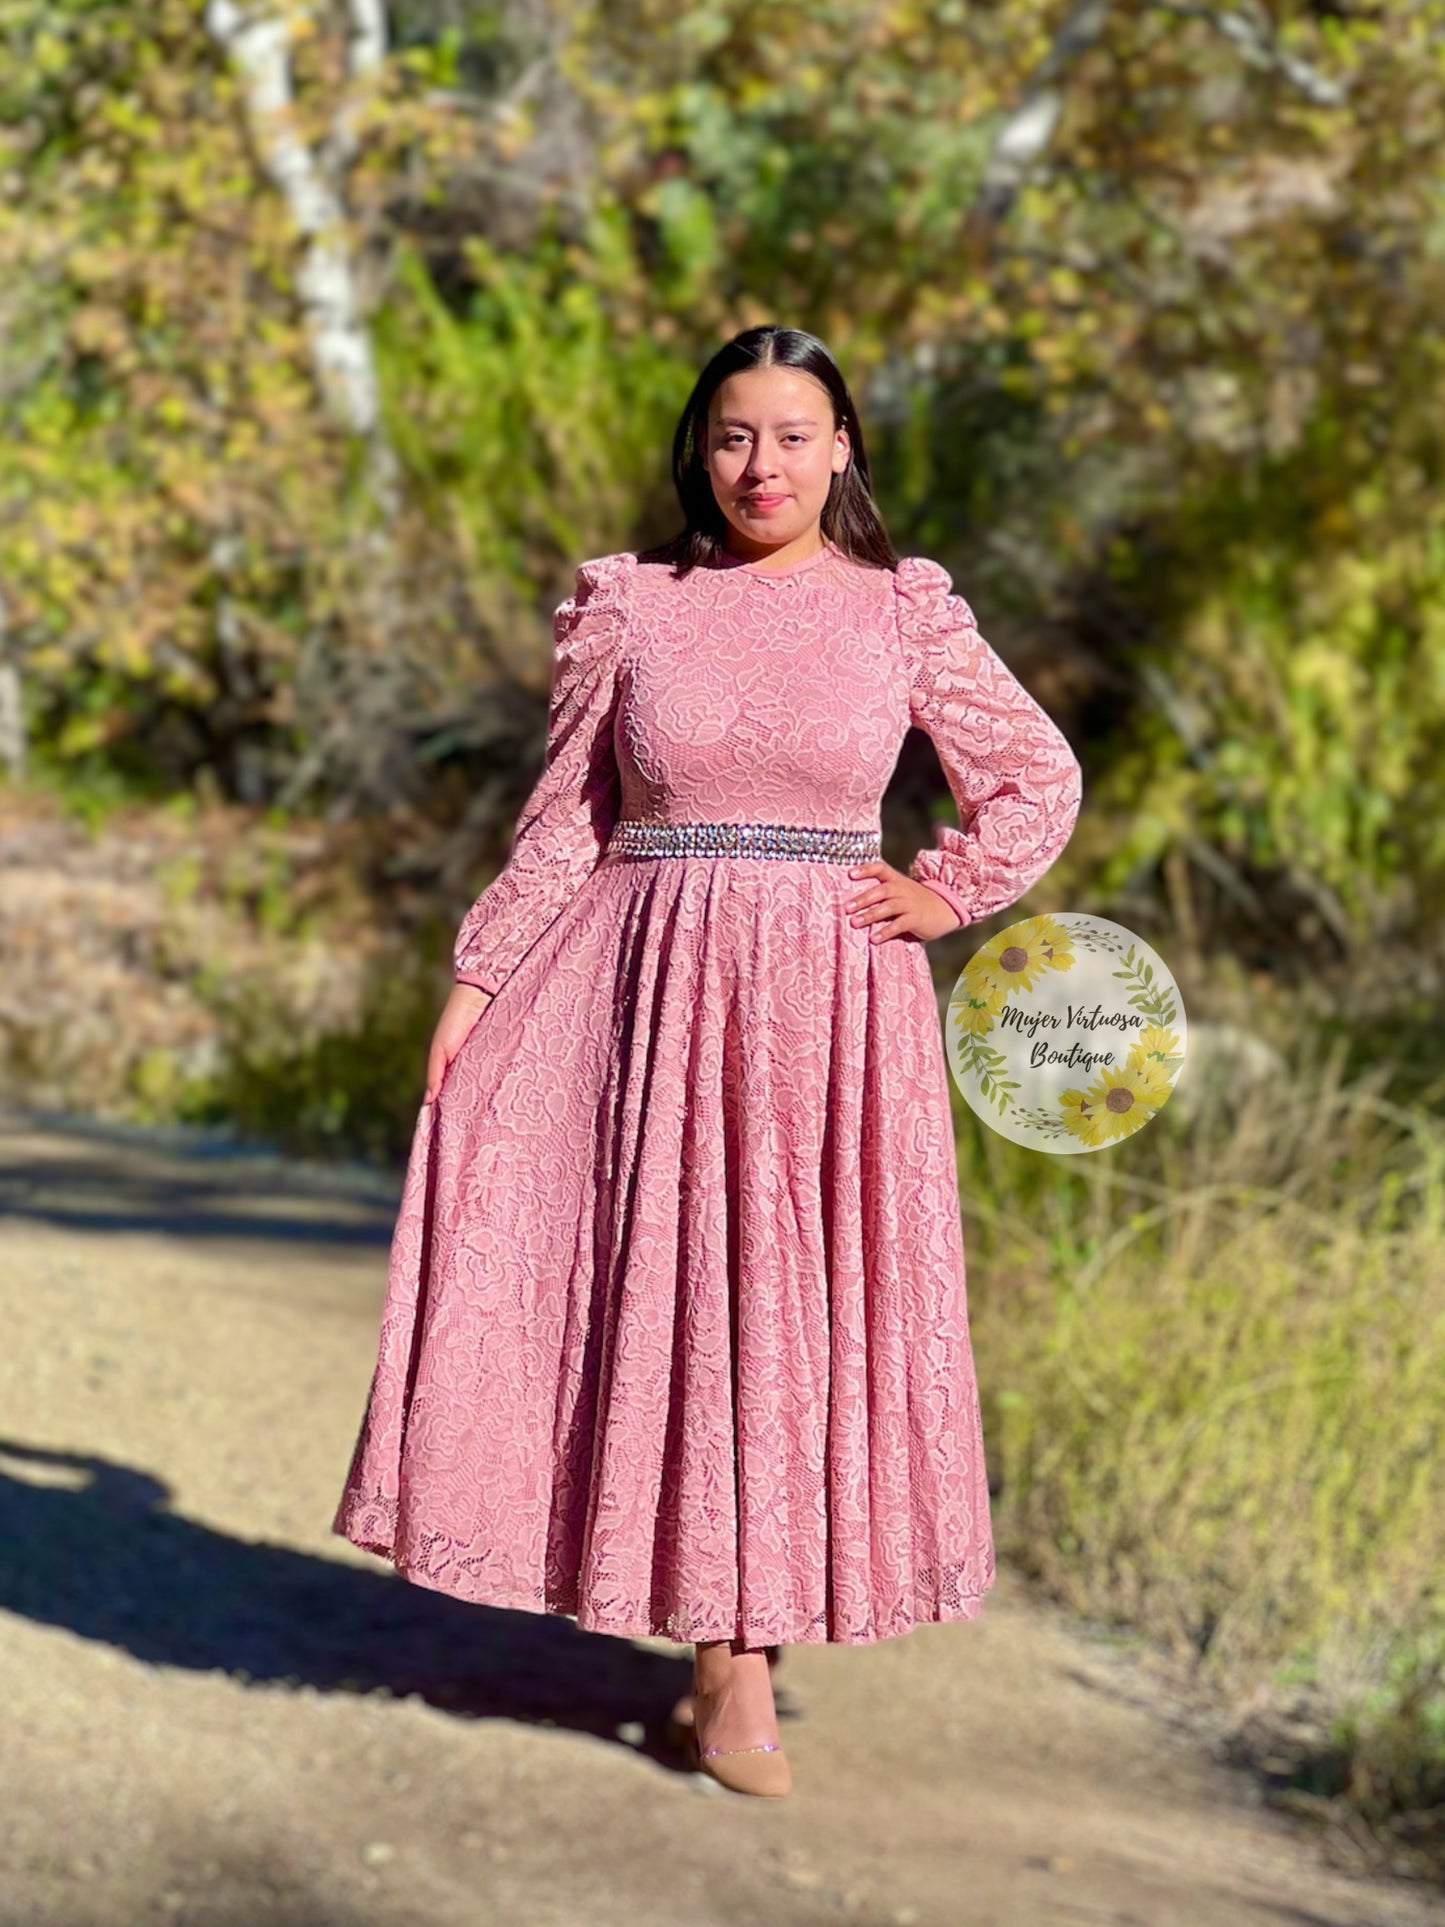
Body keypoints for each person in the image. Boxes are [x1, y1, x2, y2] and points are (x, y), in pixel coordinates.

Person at [331, 324, 1083, 1798]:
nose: (762, 465)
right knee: (685, 1304)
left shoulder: (901, 614)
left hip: (832, 1006)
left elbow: (1034, 771)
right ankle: (729, 1668)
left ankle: (751, 1621)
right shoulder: (634, 607)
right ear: (701, 448)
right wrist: (481, 973)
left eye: (794, 436)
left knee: (794, 1312)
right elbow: (566, 817)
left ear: (842, 447)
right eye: (734, 436)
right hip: (648, 992)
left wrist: (947, 888)